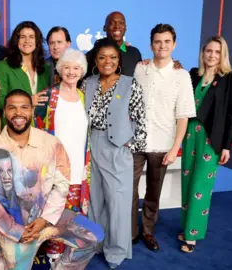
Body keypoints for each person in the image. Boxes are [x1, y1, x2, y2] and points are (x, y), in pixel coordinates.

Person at [0, 90, 104, 270]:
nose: (18, 113)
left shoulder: (51, 144)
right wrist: (16, 231)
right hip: (15, 229)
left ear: (32, 111)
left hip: (49, 218)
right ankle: (0, 252)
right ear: (4, 112)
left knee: (94, 235)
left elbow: (61, 186)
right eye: (12, 108)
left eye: (24, 107)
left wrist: (44, 219)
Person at [82, 37, 146, 268]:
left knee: (118, 202)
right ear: (95, 61)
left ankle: (116, 251)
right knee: (95, 199)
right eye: (102, 57)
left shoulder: (131, 84)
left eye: (113, 57)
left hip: (118, 147)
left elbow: (140, 120)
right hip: (91, 146)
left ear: (119, 60)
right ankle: (96, 243)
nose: (107, 61)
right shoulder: (87, 83)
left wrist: (130, 146)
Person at [132, 24, 196, 251]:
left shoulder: (181, 75)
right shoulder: (141, 69)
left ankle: (148, 232)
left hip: (162, 144)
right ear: (151, 45)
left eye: (167, 41)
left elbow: (183, 116)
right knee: (130, 190)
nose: (162, 46)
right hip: (136, 142)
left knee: (153, 192)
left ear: (174, 44)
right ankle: (130, 233)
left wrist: (175, 147)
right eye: (158, 41)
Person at [179, 36, 232, 253]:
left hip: (211, 139)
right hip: (189, 135)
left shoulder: (230, 78)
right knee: (186, 182)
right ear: (203, 52)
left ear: (222, 54)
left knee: (200, 187)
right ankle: (186, 225)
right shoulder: (193, 75)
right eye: (209, 51)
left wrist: (226, 146)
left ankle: (192, 235)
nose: (212, 55)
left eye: (217, 52)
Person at [35, 48, 91, 261]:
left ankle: (71, 253)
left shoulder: (84, 97)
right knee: (54, 210)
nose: (71, 72)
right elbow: (37, 129)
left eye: (76, 68)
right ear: (60, 69)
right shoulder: (49, 95)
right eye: (67, 67)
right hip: (55, 165)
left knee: (74, 212)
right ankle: (53, 254)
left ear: (82, 71)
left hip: (78, 165)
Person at [0, 21, 50, 125]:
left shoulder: (46, 69)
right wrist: (27, 102)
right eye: (23, 37)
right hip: (13, 127)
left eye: (31, 37)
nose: (27, 41)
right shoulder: (2, 67)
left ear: (37, 41)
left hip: (40, 129)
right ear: (16, 40)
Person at [84, 11, 142, 79]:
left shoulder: (134, 53)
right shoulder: (92, 55)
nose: (117, 26)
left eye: (121, 23)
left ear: (125, 27)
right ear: (104, 28)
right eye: (112, 23)